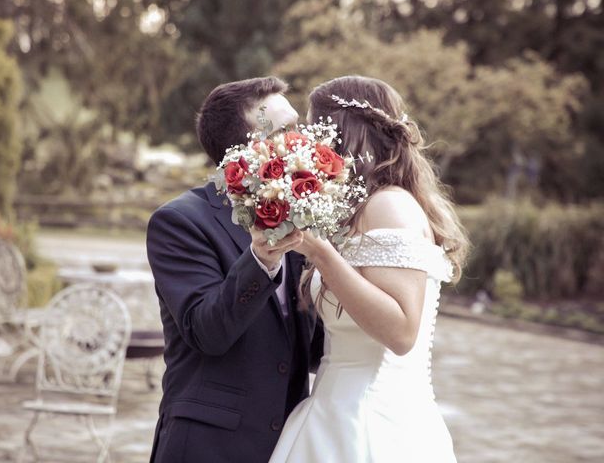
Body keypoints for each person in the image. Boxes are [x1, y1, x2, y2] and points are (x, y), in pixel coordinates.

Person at [269, 75, 469, 462]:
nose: (309, 142)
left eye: (314, 128)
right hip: (331, 414)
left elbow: (400, 332)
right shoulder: (363, 210)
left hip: (371, 422)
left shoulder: (390, 206)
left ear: (343, 132)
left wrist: (321, 253)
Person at [146, 76, 324, 462]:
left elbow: (313, 349)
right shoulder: (179, 222)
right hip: (208, 447)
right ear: (248, 148)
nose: (304, 142)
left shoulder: (302, 215)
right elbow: (207, 332)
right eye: (287, 131)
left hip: (289, 444)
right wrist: (262, 259)